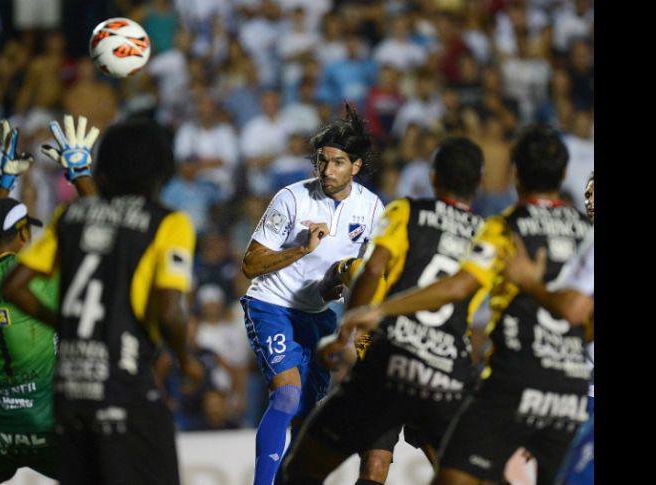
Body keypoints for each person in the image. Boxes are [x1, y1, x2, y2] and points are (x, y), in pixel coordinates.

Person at [329, 125, 592, 485]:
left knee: (449, 472)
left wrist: (377, 309)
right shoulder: (583, 234)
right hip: (567, 389)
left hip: (490, 378)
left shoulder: (503, 228)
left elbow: (457, 287)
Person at [2, 116, 203, 485]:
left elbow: (13, 285)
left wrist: (65, 322)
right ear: (163, 170)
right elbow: (171, 311)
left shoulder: (69, 216)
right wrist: (186, 360)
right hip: (126, 392)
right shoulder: (169, 223)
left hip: (70, 397)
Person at [282, 137, 486, 485]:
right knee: (438, 470)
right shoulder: (486, 235)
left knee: (303, 470)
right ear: (478, 184)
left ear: (434, 178)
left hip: (390, 363)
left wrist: (345, 330)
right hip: (446, 372)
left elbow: (367, 270)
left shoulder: (405, 213)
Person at [240, 105, 385, 485]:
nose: (326, 171)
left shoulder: (371, 208)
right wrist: (302, 249)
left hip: (321, 313)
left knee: (307, 414)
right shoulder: (291, 198)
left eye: (337, 163)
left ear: (355, 166)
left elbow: (371, 276)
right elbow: (251, 265)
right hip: (273, 304)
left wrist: (346, 300)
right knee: (287, 396)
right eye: (322, 162)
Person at [0, 116, 97, 484]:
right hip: (44, 425)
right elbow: (103, 222)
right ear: (20, 235)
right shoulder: (37, 274)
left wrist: (5, 181)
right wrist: (79, 173)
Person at [505, 171, 594, 485]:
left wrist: (532, 284)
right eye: (588, 196)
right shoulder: (581, 249)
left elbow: (574, 314)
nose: (591, 202)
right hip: (575, 391)